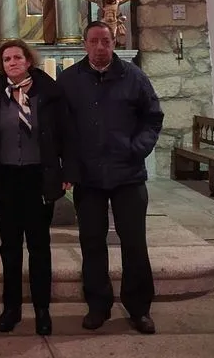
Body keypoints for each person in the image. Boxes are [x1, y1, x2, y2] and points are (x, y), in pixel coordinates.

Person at [56, 20, 163, 334]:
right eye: (94, 41)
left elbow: (153, 117)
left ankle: (139, 308)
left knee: (134, 243)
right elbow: (62, 128)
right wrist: (69, 167)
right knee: (91, 243)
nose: (100, 47)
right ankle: (98, 305)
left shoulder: (134, 77)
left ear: (114, 41)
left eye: (106, 40)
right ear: (85, 44)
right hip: (88, 177)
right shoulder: (69, 80)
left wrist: (137, 148)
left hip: (127, 173)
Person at [0, 39, 78, 336]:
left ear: (28, 60)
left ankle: (43, 309)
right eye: (7, 59)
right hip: (5, 178)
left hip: (38, 177)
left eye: (17, 57)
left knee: (39, 246)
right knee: (10, 246)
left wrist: (67, 170)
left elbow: (66, 134)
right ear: (1, 65)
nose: (12, 63)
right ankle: (11, 307)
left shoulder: (49, 92)